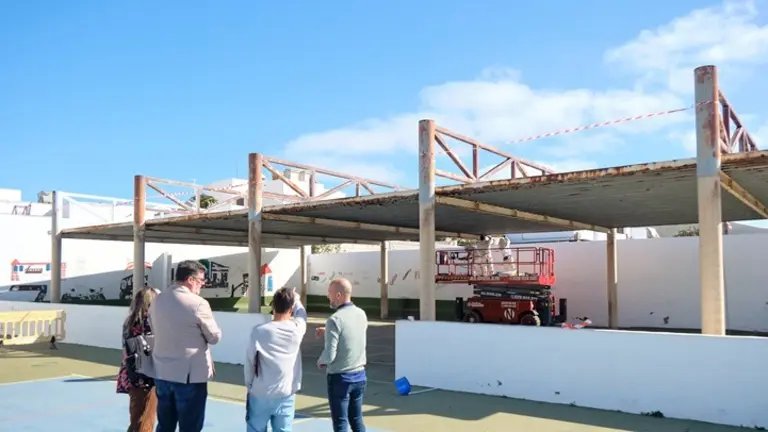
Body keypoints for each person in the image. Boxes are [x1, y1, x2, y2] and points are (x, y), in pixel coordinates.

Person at [149, 260, 222, 432]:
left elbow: (154, 329)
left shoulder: (157, 300)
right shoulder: (198, 303)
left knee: (165, 425)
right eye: (201, 281)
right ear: (191, 280)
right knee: (190, 427)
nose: (202, 285)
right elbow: (214, 337)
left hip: (162, 372)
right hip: (189, 376)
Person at [244, 287, 308, 432]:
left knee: (255, 428)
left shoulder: (259, 331)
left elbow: (249, 361)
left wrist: (250, 385)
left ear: (273, 306)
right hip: (285, 393)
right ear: (291, 308)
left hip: (260, 392)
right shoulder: (296, 330)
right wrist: (296, 299)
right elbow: (302, 315)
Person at [316, 278, 368, 432]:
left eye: (330, 293)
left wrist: (321, 361)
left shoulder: (334, 319)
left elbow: (330, 355)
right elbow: (352, 334)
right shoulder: (361, 314)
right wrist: (327, 332)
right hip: (359, 375)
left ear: (338, 295)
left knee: (340, 423)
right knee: (357, 420)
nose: (328, 297)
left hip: (340, 379)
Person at [116, 285, 159, 432]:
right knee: (145, 420)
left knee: (136, 416)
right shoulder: (152, 322)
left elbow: (125, 349)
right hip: (148, 373)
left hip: (131, 372)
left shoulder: (129, 321)